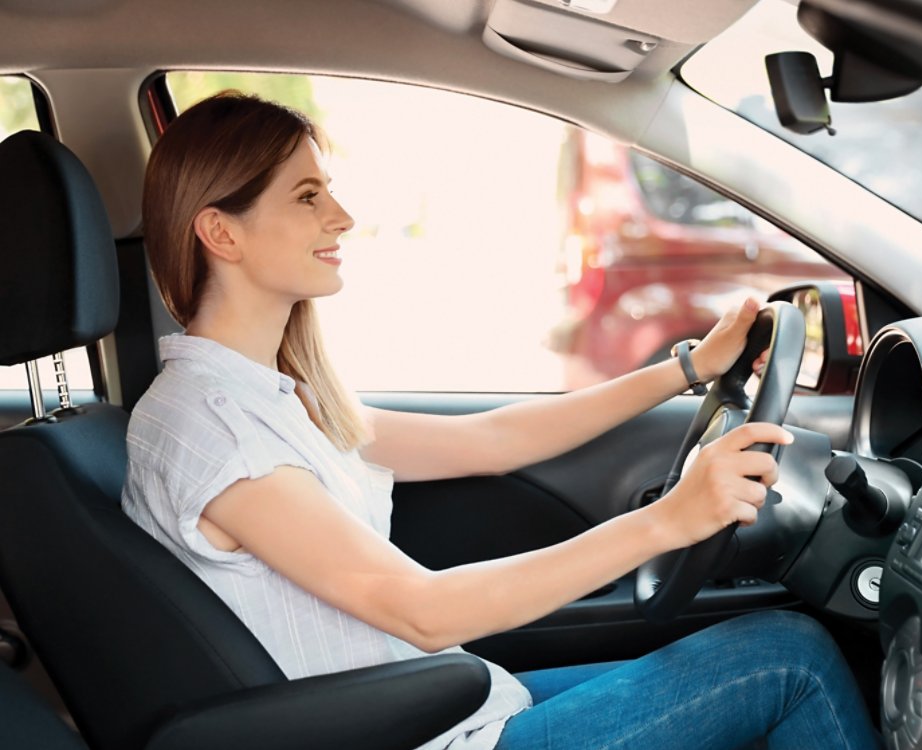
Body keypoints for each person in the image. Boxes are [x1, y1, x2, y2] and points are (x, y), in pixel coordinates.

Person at [122, 91, 882, 750]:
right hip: (419, 734)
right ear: (222, 233)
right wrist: (670, 519)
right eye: (307, 195)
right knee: (792, 661)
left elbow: (494, 439)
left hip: (448, 710)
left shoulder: (271, 398)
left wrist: (687, 370)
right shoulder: (216, 429)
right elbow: (422, 612)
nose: (343, 216)